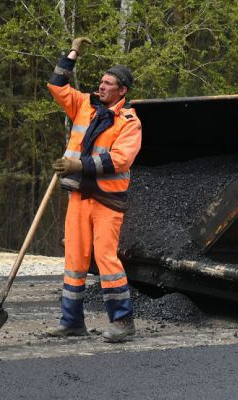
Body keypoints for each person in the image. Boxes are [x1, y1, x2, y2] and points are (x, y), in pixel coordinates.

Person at [46, 37, 142, 343]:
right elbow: (57, 85)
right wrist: (72, 52)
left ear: (122, 91)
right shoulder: (84, 105)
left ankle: (123, 322)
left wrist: (79, 165)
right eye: (100, 81)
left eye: (108, 83)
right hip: (79, 197)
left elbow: (120, 159)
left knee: (106, 259)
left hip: (106, 201)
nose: (101, 86)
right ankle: (72, 321)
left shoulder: (129, 122)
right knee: (74, 259)